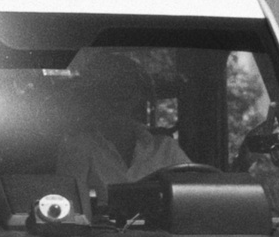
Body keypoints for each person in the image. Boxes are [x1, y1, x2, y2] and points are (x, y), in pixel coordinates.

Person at [54, 58, 189, 217]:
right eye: (108, 91)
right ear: (91, 98)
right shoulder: (76, 146)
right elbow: (74, 215)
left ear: (139, 97)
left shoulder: (167, 148)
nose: (118, 100)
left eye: (126, 90)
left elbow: (196, 201)